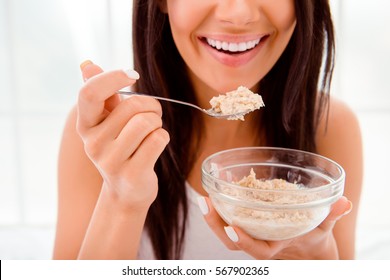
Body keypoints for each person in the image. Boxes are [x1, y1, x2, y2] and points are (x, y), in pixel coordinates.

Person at [53, 0, 363, 260]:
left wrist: (315, 252)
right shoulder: (109, 133)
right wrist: (122, 198)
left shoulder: (330, 127)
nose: (239, 14)